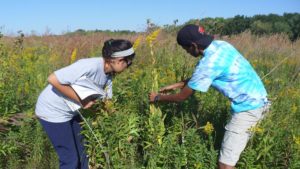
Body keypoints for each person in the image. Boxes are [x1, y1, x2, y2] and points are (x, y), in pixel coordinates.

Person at [149, 24, 270, 169]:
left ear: (193, 45)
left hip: (248, 110)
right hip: (261, 101)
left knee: (225, 164)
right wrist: (174, 85)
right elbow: (201, 77)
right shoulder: (221, 45)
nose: (187, 52)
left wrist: (157, 98)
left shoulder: (208, 64)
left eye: (186, 48)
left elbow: (182, 97)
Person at [35, 39, 135, 169]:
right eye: (128, 61)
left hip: (71, 111)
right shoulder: (90, 66)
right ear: (117, 59)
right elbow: (53, 79)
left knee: (84, 155)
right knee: (70, 160)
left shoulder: (109, 75)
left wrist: (118, 121)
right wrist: (82, 101)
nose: (128, 65)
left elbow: (106, 102)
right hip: (52, 111)